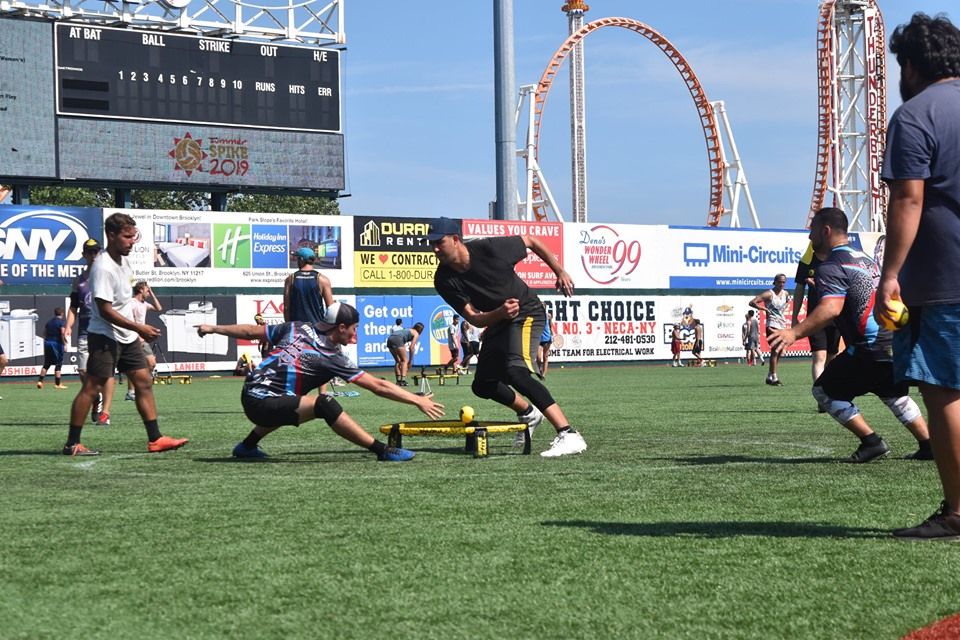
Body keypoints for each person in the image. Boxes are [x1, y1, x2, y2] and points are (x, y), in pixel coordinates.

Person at [878, 13, 960, 540]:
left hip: (945, 278)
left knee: (947, 391)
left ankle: (957, 511)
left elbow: (909, 198)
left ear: (911, 64)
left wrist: (889, 275)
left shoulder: (915, 115)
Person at [768, 207, 931, 464]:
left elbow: (831, 308)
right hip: (893, 341)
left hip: (869, 345)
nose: (810, 237)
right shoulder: (866, 259)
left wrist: (793, 332)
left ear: (826, 230)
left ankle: (871, 441)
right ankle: (928, 444)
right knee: (893, 393)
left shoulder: (832, 266)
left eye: (812, 231)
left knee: (824, 391)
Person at [196, 302, 444, 461]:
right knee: (325, 403)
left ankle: (247, 446)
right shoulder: (331, 357)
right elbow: (377, 386)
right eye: (354, 328)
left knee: (291, 399)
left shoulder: (297, 328)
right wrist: (416, 400)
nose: (356, 333)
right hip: (262, 404)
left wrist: (213, 327)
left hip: (253, 392)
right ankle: (382, 450)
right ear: (341, 327)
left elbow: (251, 332)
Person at [427, 217, 587, 457]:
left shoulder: (489, 248)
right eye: (431, 244)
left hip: (527, 312)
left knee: (515, 371)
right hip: (499, 320)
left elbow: (532, 241)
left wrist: (560, 271)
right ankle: (528, 413)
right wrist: (498, 314)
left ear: (456, 239)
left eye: (439, 242)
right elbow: (473, 317)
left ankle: (568, 433)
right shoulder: (443, 280)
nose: (435, 249)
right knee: (483, 385)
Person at [62, 212, 188, 456]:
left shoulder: (124, 261)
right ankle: (72, 444)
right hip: (105, 336)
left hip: (127, 337)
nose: (132, 241)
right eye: (127, 237)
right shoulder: (103, 266)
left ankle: (155, 439)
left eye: (134, 237)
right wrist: (139, 327)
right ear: (111, 235)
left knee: (143, 382)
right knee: (92, 387)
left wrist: (134, 330)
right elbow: (105, 310)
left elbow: (124, 302)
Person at [66, 239, 115, 424]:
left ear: (100, 253)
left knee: (106, 371)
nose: (93, 255)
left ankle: (105, 412)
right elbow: (73, 307)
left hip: (104, 330)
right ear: (84, 255)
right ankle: (95, 398)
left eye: (96, 252)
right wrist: (68, 326)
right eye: (89, 252)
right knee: (82, 371)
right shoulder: (78, 280)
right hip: (85, 331)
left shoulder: (107, 275)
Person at [792, 241, 841, 387]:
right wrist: (795, 316)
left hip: (835, 317)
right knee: (819, 356)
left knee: (832, 358)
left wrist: (819, 285)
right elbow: (799, 289)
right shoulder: (807, 261)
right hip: (815, 317)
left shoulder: (837, 258)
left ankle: (829, 391)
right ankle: (822, 397)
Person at [124, 281, 162, 401]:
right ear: (140, 290)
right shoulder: (131, 302)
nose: (148, 293)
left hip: (142, 338)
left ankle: (136, 387)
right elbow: (128, 319)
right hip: (133, 337)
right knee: (136, 366)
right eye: (147, 290)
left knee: (151, 364)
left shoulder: (144, 304)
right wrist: (136, 332)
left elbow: (158, 308)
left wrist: (152, 292)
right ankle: (131, 392)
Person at [750, 273, 790, 385]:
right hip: (772, 324)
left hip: (781, 324)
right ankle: (774, 377)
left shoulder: (786, 293)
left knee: (780, 351)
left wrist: (780, 314)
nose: (781, 284)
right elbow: (752, 302)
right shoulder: (769, 294)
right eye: (779, 282)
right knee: (776, 350)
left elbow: (786, 303)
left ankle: (769, 376)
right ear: (775, 282)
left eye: (783, 282)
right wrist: (764, 309)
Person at [284, 247, 334, 324]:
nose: (296, 261)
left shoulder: (290, 279)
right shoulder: (322, 279)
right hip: (317, 329)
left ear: (301, 260)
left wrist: (288, 327)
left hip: (296, 330)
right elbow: (331, 308)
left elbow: (286, 307)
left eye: (297, 258)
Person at [37, 307, 68, 390]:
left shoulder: (49, 322)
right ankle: (57, 384)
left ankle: (40, 381)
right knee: (58, 364)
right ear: (62, 313)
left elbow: (44, 333)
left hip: (47, 343)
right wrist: (65, 344)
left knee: (46, 363)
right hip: (56, 344)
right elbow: (62, 333)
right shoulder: (61, 322)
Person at [386, 320, 424, 386]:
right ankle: (403, 381)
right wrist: (410, 361)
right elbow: (411, 348)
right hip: (398, 339)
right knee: (404, 360)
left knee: (398, 361)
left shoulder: (408, 329)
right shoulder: (416, 333)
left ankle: (398, 381)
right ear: (420, 330)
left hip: (390, 338)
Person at [537, 311, 555, 377]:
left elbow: (550, 326)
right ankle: (540, 370)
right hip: (539, 338)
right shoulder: (536, 315)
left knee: (545, 356)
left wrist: (552, 335)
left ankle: (544, 374)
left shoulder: (548, 316)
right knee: (538, 357)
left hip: (547, 338)